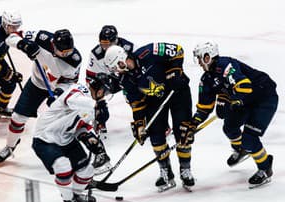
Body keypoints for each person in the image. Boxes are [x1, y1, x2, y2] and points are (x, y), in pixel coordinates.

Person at [180, 41, 278, 188]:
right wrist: (193, 123)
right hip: (245, 100)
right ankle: (241, 150)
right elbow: (204, 107)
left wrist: (234, 99)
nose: (199, 62)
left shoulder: (225, 65)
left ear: (208, 56)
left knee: (250, 138)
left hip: (263, 98)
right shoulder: (206, 79)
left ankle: (265, 168)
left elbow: (244, 85)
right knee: (230, 127)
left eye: (200, 58)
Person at [104, 44, 194, 192]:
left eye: (115, 67)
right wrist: (139, 124)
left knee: (183, 131)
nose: (116, 72)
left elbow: (178, 50)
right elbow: (136, 102)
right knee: (155, 136)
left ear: (121, 61)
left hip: (178, 92)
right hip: (155, 100)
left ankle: (185, 170)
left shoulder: (149, 52)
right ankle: (166, 171)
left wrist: (175, 72)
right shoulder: (125, 80)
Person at [0, 28, 82, 163]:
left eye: (68, 51)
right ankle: (10, 146)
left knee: (65, 124)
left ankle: (72, 153)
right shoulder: (42, 37)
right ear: (53, 45)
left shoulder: (74, 60)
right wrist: (23, 45)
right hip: (36, 84)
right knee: (17, 118)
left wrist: (59, 93)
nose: (66, 55)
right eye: (63, 52)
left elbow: (69, 83)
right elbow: (11, 37)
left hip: (57, 90)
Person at [32, 81, 110, 202]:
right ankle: (69, 200)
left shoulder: (93, 108)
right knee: (63, 167)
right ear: (98, 90)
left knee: (87, 171)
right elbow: (71, 99)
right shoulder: (80, 90)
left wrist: (88, 138)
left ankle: (76, 194)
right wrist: (95, 105)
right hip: (45, 138)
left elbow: (80, 126)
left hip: (65, 138)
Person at [86, 25, 134, 137]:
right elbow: (90, 77)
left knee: (137, 94)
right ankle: (100, 119)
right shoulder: (96, 54)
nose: (105, 47)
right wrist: (98, 97)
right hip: (112, 80)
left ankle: (148, 116)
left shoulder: (130, 48)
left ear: (116, 41)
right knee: (95, 89)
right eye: (103, 44)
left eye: (108, 44)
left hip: (129, 76)